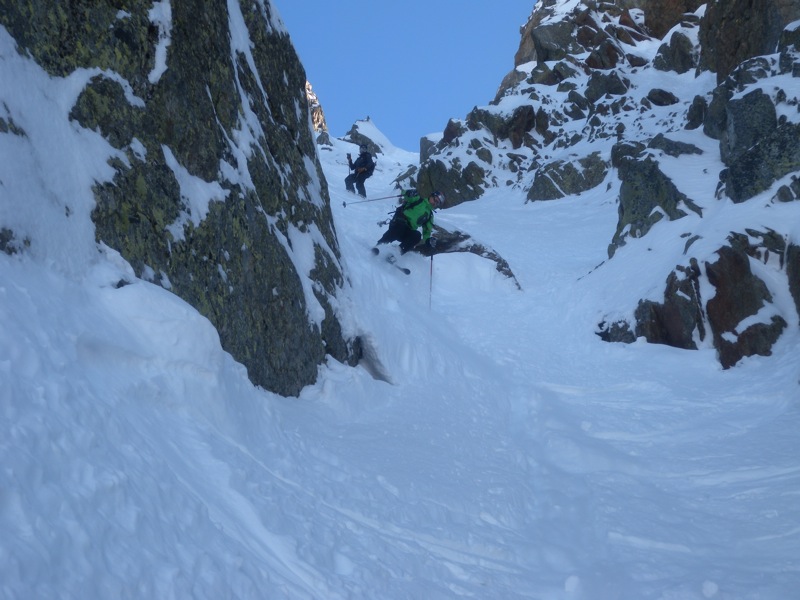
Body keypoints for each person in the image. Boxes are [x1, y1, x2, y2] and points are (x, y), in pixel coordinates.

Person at [376, 190, 445, 254]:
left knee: (417, 235)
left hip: (407, 231)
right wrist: (409, 193)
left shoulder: (429, 215)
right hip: (398, 223)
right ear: (431, 196)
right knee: (401, 227)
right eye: (435, 199)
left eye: (437, 203)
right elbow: (406, 195)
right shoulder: (419, 200)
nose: (434, 203)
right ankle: (380, 244)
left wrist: (428, 241)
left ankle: (397, 252)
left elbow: (427, 231)